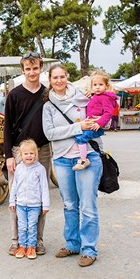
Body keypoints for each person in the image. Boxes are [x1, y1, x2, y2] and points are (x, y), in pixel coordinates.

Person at [42, 64, 103, 267]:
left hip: (88, 157)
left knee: (87, 206)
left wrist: (91, 126)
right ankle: (72, 243)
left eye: (62, 76)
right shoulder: (48, 106)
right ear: (50, 81)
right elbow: (49, 133)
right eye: (55, 77)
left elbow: (99, 119)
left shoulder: (85, 98)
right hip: (61, 159)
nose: (59, 80)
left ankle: (88, 249)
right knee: (69, 205)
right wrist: (78, 126)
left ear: (67, 77)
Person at [3, 52, 51, 256]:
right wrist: (8, 155)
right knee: (17, 196)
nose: (32, 72)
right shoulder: (14, 95)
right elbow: (7, 127)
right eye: (28, 69)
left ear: (41, 68)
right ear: (23, 70)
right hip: (19, 151)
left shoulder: (48, 94)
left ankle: (38, 240)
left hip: (43, 149)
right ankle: (16, 239)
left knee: (39, 196)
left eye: (36, 68)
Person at [9, 139, 50, 260]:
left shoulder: (40, 169)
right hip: (21, 204)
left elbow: (44, 187)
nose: (29, 156)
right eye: (25, 154)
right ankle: (22, 246)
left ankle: (31, 246)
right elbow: (14, 187)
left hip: (34, 205)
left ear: (36, 154)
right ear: (21, 155)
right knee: (22, 226)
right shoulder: (19, 169)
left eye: (31, 153)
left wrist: (46, 205)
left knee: (32, 226)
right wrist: (12, 201)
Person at [73, 71, 117, 170]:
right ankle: (83, 157)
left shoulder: (106, 98)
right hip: (92, 125)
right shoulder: (95, 96)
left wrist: (99, 122)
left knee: (81, 138)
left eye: (100, 85)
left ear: (106, 86)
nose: (97, 87)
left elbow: (108, 113)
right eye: (95, 85)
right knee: (79, 136)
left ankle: (83, 159)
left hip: (96, 127)